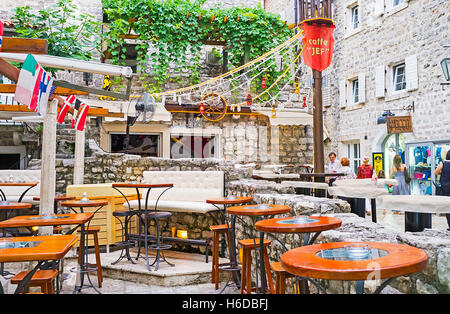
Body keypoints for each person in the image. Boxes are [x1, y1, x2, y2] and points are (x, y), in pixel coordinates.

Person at [434, 149, 450, 230]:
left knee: (447, 206)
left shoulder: (443, 163)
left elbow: (435, 172)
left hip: (445, 187)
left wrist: (442, 172)